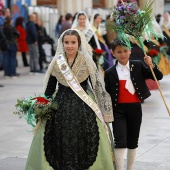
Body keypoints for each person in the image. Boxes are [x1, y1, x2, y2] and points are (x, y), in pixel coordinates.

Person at [25, 29, 115, 170]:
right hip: (59, 103)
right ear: (62, 43)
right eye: (66, 42)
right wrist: (43, 105)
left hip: (84, 103)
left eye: (73, 42)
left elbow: (96, 85)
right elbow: (50, 87)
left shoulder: (86, 60)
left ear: (79, 43)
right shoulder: (57, 61)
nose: (69, 46)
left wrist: (103, 110)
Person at [104, 38, 163, 170]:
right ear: (113, 53)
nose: (123, 54)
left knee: (132, 141)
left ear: (130, 51)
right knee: (119, 141)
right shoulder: (109, 73)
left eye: (125, 51)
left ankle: (129, 168)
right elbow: (107, 93)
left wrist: (151, 64)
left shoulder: (138, 65)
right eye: (119, 52)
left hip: (135, 108)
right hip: (117, 110)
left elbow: (157, 76)